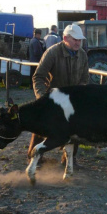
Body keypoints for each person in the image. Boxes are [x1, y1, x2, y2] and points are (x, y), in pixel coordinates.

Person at [28, 23, 90, 159]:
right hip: (53, 98)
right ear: (65, 38)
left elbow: (85, 78)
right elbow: (38, 77)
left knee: (75, 129)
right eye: (75, 39)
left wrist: (79, 97)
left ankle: (69, 160)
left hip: (72, 100)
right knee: (41, 127)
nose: (78, 42)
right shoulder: (52, 52)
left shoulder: (83, 55)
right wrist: (43, 99)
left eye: (80, 40)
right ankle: (34, 157)